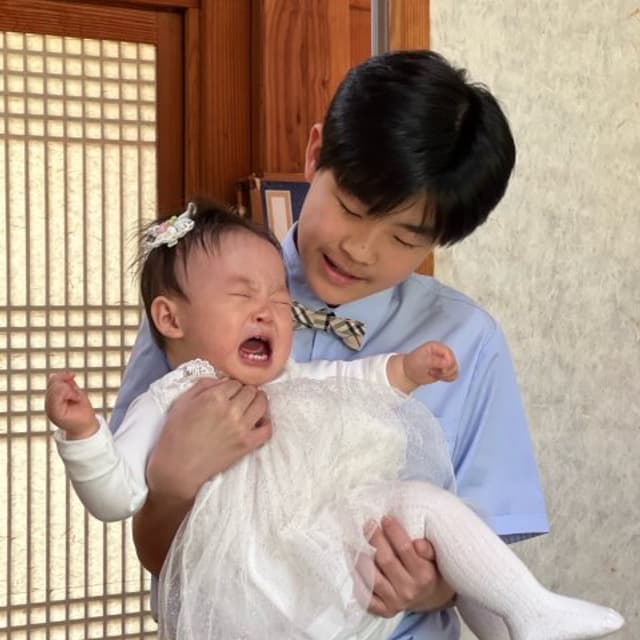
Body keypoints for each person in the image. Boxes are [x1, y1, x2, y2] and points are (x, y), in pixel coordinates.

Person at [113, 50, 550, 639]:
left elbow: (485, 559)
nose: (361, 250)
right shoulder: (200, 304)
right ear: (315, 153)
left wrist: (429, 585)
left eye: (405, 238)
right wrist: (172, 482)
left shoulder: (466, 340)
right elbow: (153, 549)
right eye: (351, 208)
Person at [46, 202, 624, 640]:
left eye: (278, 299)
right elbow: (117, 496)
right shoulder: (165, 401)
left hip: (341, 555)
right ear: (171, 319)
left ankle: (528, 610)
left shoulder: (295, 377)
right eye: (243, 296)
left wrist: (407, 369)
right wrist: (84, 436)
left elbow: (352, 380)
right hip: (249, 592)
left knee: (424, 505)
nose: (267, 311)